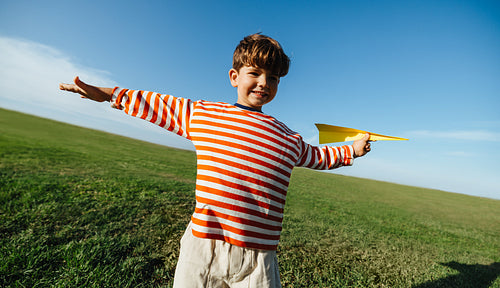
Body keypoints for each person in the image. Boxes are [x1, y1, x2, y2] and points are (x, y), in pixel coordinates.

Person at [59, 33, 372, 288]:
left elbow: (317, 155)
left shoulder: (286, 136)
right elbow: (158, 104)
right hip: (203, 246)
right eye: (255, 73)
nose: (264, 82)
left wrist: (352, 150)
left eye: (273, 77)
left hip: (258, 257)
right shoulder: (206, 114)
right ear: (235, 77)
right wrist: (108, 93)